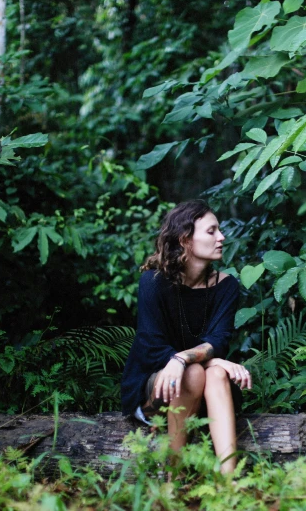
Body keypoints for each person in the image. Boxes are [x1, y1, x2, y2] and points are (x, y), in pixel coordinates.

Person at [121, 200, 251, 474]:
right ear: (185, 239)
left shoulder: (226, 286)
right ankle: (174, 478)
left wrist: (186, 359)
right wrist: (211, 361)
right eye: (211, 231)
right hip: (156, 389)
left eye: (219, 230)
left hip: (207, 395)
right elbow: (151, 345)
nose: (221, 237)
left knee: (211, 374)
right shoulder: (153, 282)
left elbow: (220, 340)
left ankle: (230, 483)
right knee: (196, 372)